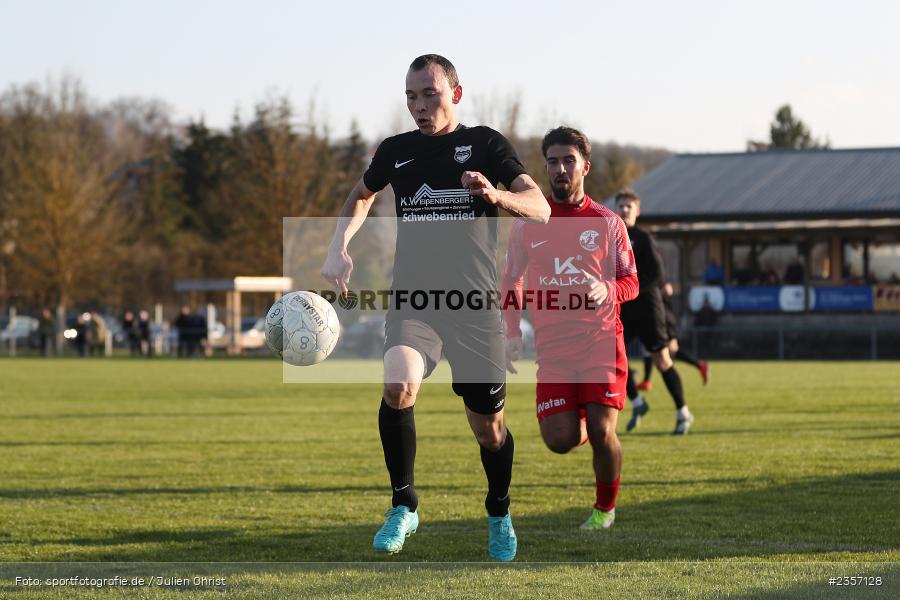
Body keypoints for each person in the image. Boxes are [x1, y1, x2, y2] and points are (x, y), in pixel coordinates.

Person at [321, 54, 549, 560]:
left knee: (489, 430)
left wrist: (496, 195)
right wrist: (339, 246)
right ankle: (404, 505)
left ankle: (499, 510)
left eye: (430, 94)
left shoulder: (487, 144)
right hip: (415, 301)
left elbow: (541, 206)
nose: (419, 106)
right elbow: (360, 195)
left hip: (474, 306)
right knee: (398, 383)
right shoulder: (396, 150)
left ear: (456, 94)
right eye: (410, 96)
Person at [502, 127, 638, 530]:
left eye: (568, 161)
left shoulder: (608, 223)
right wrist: (512, 332)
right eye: (553, 162)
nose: (560, 169)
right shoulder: (528, 223)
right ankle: (583, 414)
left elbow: (632, 283)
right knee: (559, 440)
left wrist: (608, 288)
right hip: (554, 349)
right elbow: (510, 281)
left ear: (585, 167)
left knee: (602, 430)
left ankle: (604, 509)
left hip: (601, 343)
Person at [616, 189, 695, 435]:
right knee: (612, 356)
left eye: (630, 206)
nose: (625, 210)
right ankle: (638, 403)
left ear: (637, 211)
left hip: (648, 309)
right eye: (621, 206)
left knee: (662, 361)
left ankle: (683, 412)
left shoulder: (643, 238)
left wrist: (631, 289)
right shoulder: (608, 237)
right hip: (624, 310)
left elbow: (657, 275)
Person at [636, 282, 709, 391]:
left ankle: (700, 366)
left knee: (668, 351)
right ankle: (646, 381)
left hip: (663, 319)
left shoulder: (656, 276)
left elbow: (668, 289)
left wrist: (656, 293)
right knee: (654, 350)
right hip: (660, 317)